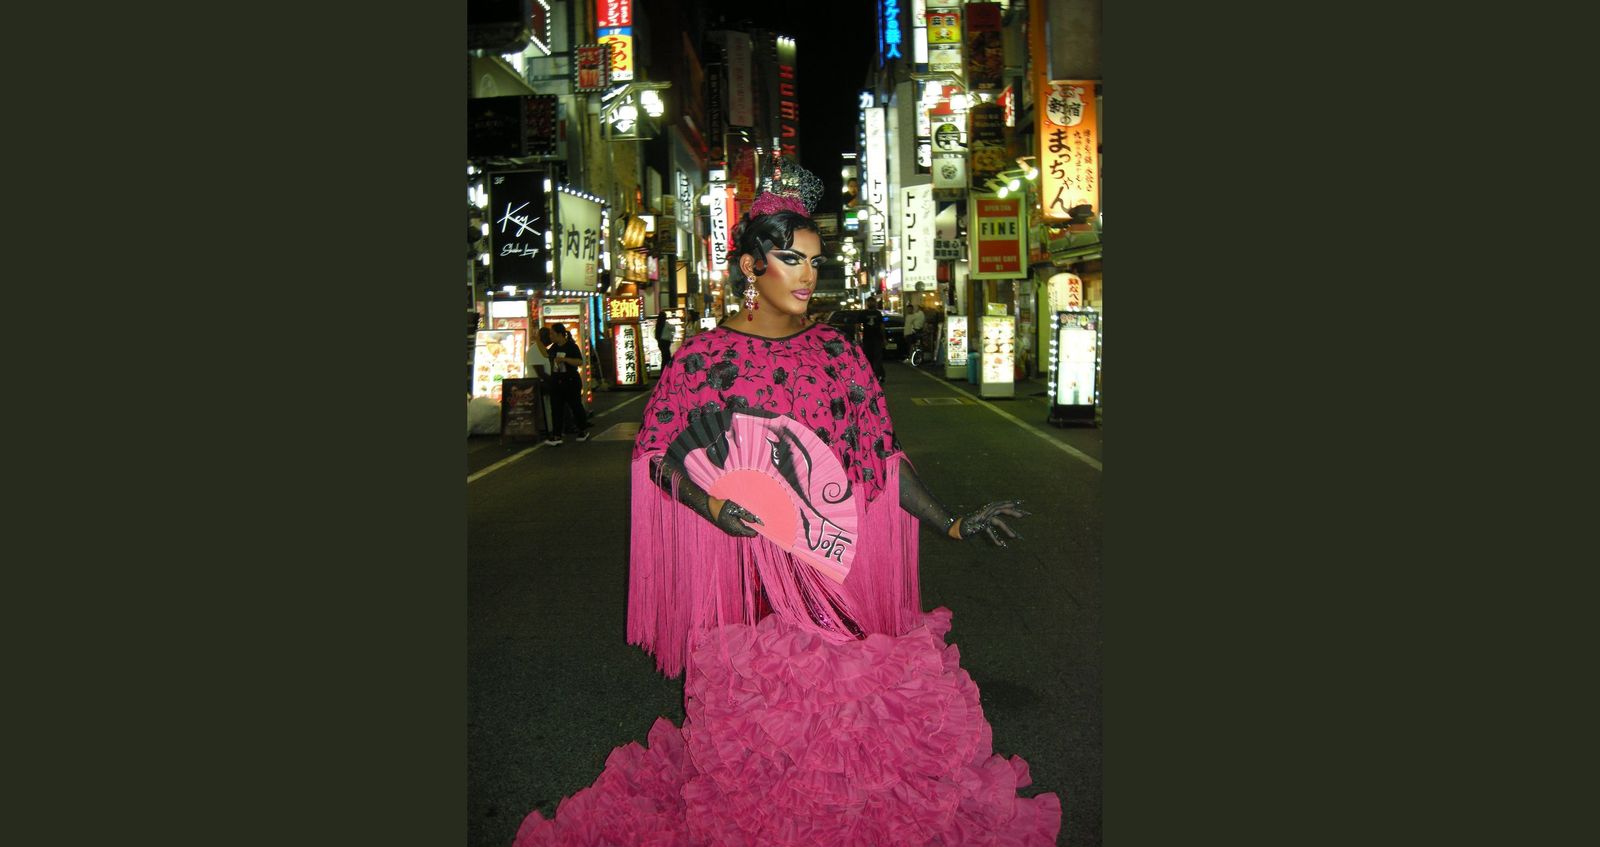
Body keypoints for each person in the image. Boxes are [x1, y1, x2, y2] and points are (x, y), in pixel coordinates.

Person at [512, 155, 1057, 846]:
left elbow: (880, 461)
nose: (806, 275)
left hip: (833, 571)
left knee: (853, 726)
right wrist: (710, 506)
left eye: (814, 261)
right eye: (790, 259)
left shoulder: (840, 354)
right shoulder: (704, 359)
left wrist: (949, 521)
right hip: (757, 588)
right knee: (770, 732)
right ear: (750, 266)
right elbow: (658, 457)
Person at [543, 323, 590, 444]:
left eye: (552, 334)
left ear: (559, 334)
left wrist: (564, 359)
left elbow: (579, 362)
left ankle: (582, 430)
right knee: (556, 408)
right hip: (557, 381)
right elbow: (547, 358)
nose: (550, 336)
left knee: (575, 406)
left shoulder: (571, 346)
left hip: (571, 381)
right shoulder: (553, 348)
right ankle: (557, 435)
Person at [860, 294, 886, 383]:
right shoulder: (863, 313)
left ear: (874, 303)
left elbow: (882, 326)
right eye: (869, 302)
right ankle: (871, 375)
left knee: (878, 358)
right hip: (867, 338)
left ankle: (880, 375)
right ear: (867, 303)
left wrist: (884, 338)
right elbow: (858, 325)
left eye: (872, 302)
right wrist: (858, 338)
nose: (871, 303)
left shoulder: (878, 313)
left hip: (877, 338)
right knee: (868, 358)